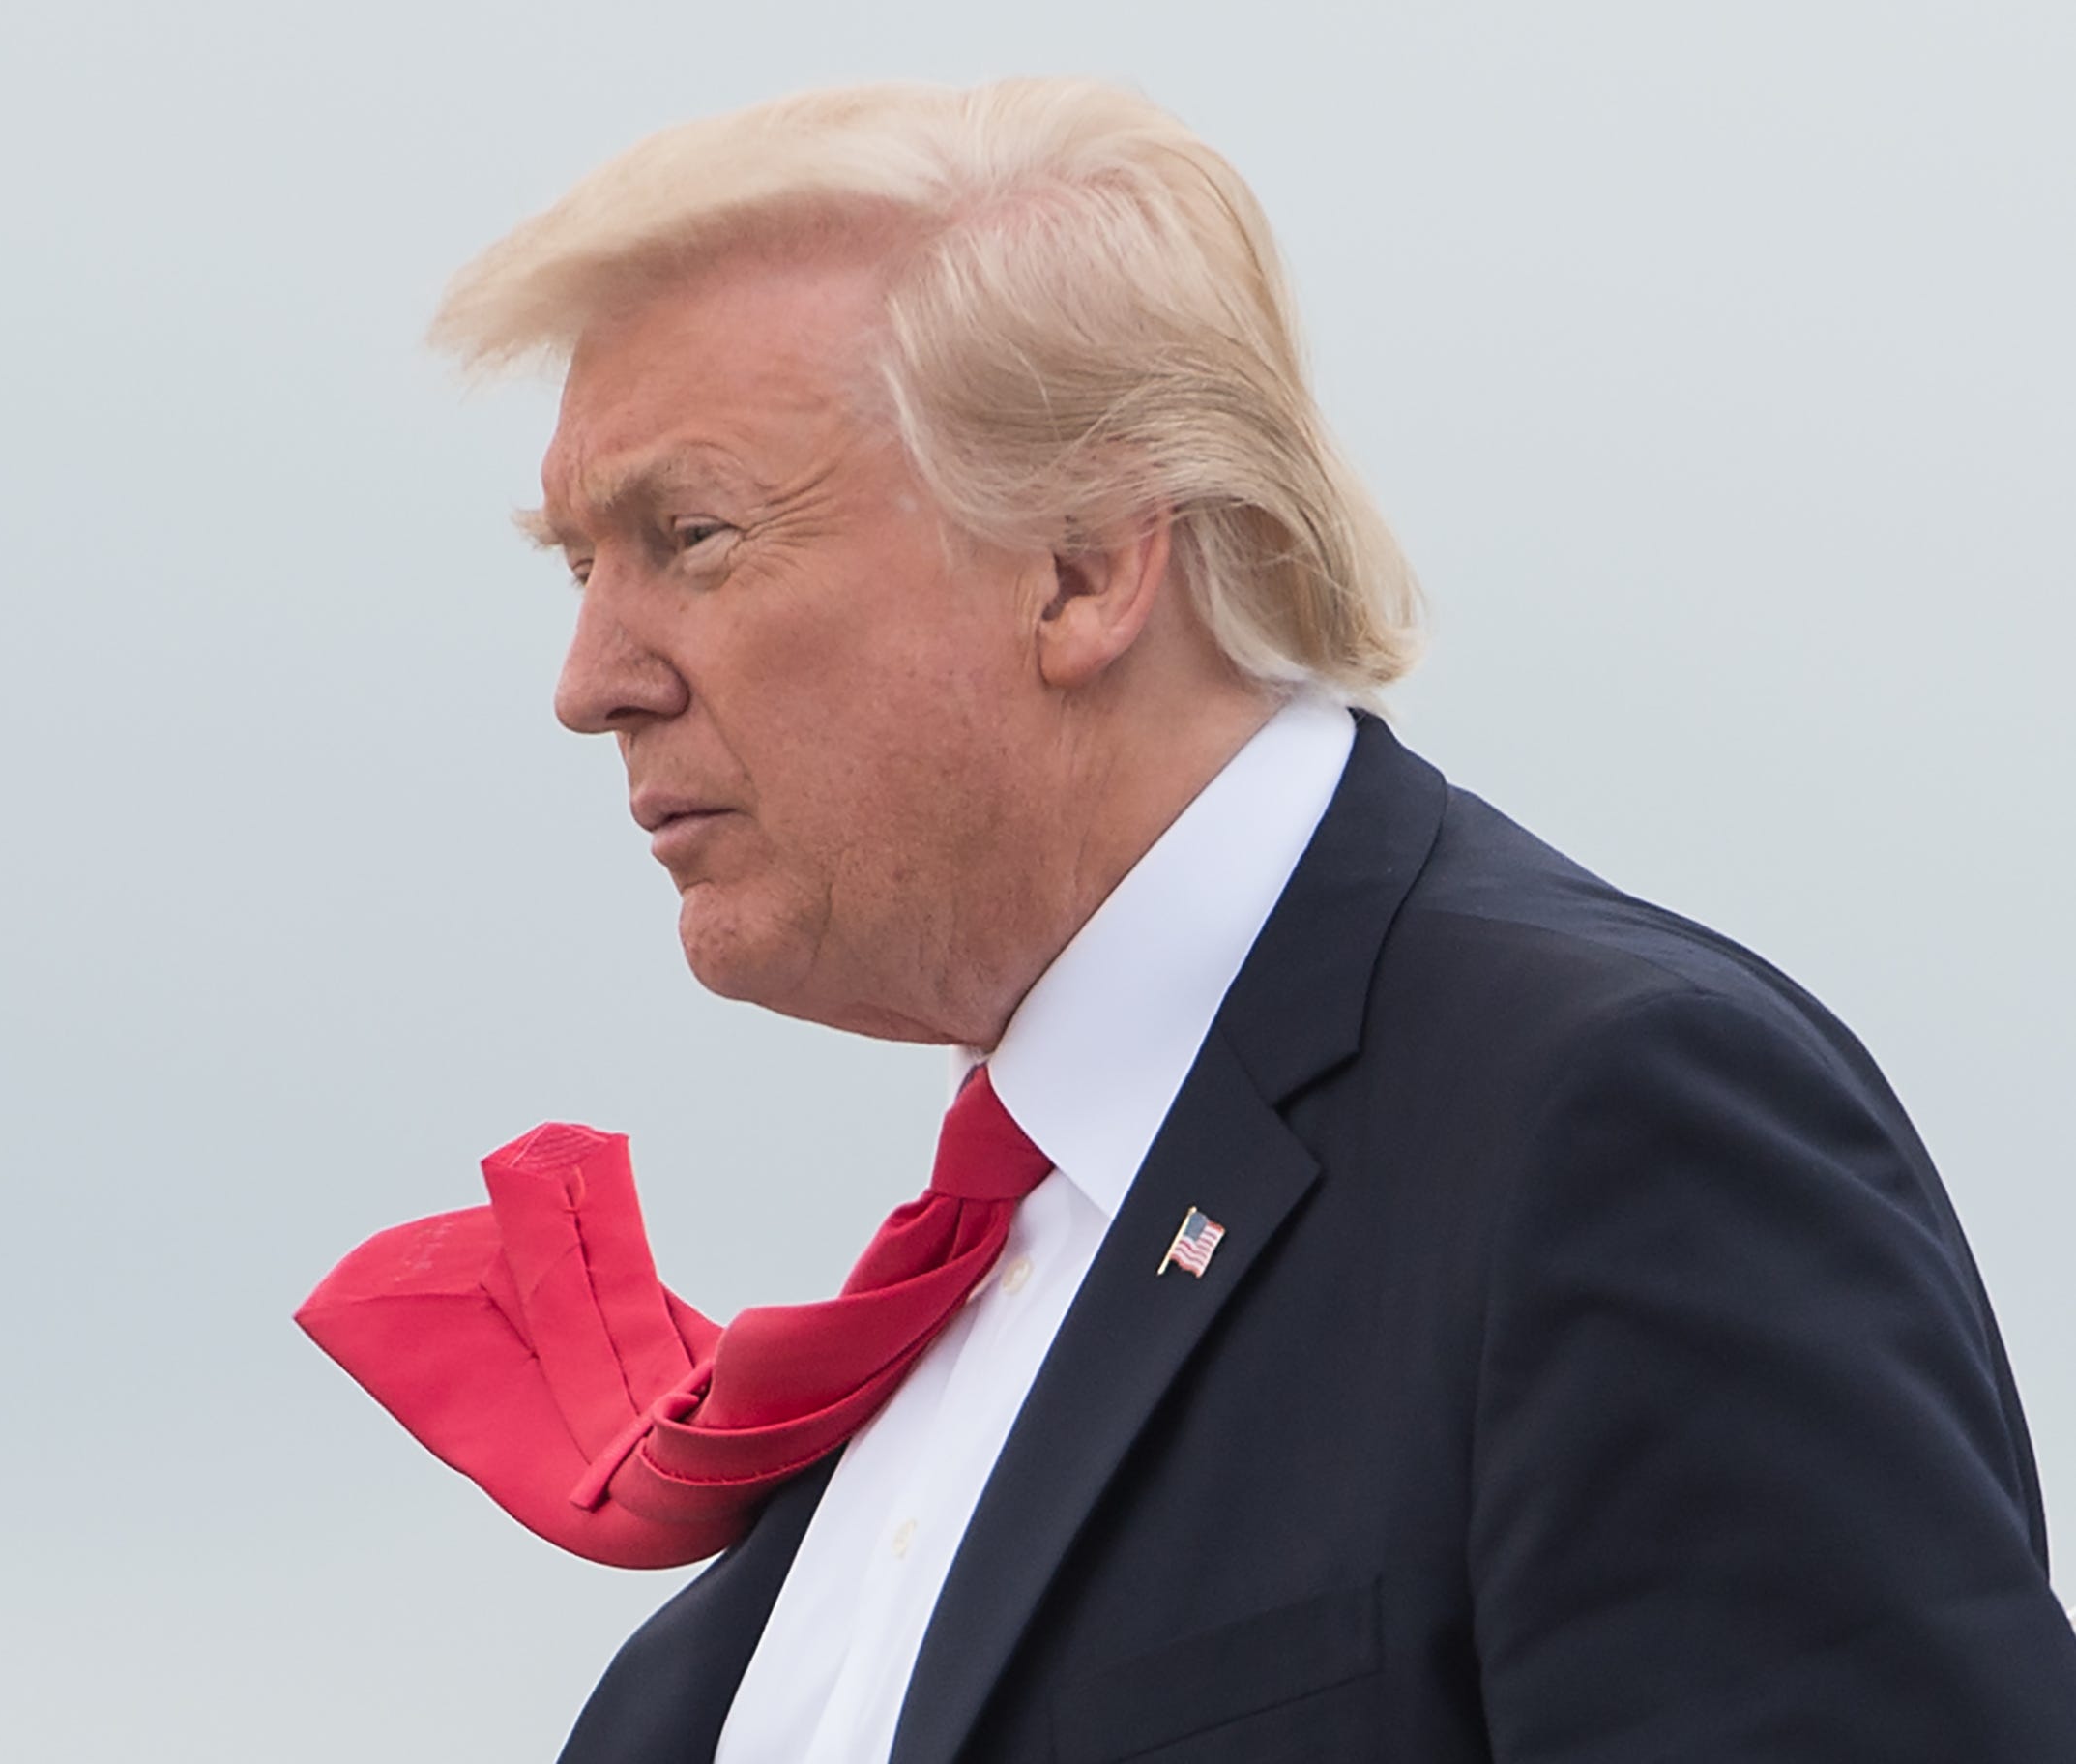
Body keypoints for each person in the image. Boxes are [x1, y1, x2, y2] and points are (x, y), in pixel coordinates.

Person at [299, 78, 2076, 1761]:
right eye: (573, 563)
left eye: (690, 536)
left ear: (1083, 560)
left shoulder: (1604, 1124)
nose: (590, 680)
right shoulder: (952, 1354)